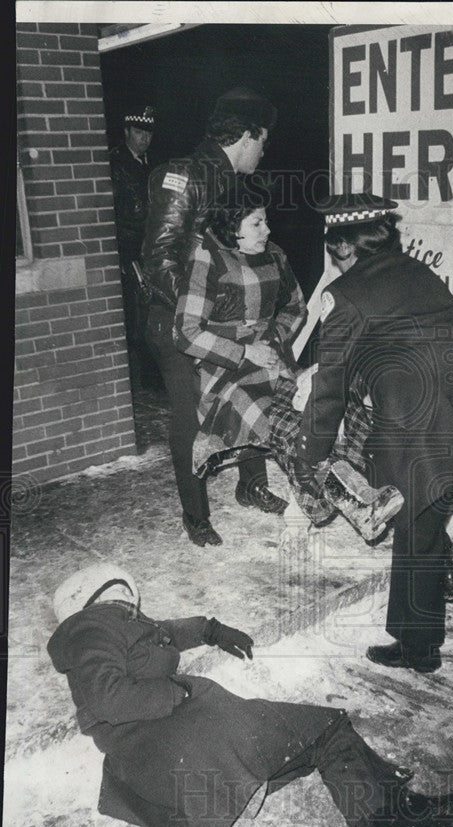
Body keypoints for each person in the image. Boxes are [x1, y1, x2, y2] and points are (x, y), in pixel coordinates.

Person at [47, 563, 453, 827]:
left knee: (316, 740)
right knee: (326, 730)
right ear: (97, 598)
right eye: (124, 597)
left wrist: (211, 630)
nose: (133, 605)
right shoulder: (90, 630)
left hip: (184, 747)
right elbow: (110, 698)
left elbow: (163, 633)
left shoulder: (111, 628)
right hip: (184, 743)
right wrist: (174, 695)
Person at [294, 195, 453, 675]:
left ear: (343, 247)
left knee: (417, 532)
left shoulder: (343, 296)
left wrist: (311, 454)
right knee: (420, 528)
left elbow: (329, 387)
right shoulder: (414, 271)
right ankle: (414, 638)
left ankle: (419, 650)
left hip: (426, 416)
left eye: (333, 250)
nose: (332, 260)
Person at [174, 186, 404, 540]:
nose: (267, 230)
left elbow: (296, 306)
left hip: (273, 359)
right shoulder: (207, 257)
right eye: (257, 223)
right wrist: (245, 351)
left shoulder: (273, 254)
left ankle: (368, 491)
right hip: (226, 371)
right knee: (287, 430)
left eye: (266, 221)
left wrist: (273, 337)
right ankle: (349, 501)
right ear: (232, 226)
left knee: (329, 412)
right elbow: (186, 332)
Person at [142, 87, 277, 547]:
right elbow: (160, 260)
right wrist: (210, 308)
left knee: (251, 391)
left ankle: (252, 483)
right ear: (247, 135)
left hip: (222, 320)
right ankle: (195, 515)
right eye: (263, 140)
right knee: (190, 418)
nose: (264, 151)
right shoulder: (180, 176)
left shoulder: (236, 185)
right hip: (177, 323)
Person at [109, 103, 159, 388]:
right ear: (127, 131)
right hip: (129, 250)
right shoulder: (114, 164)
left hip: (151, 247)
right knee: (139, 312)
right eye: (139, 131)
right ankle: (147, 379)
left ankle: (154, 374)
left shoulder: (152, 163)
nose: (144, 138)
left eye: (148, 133)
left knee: (155, 308)